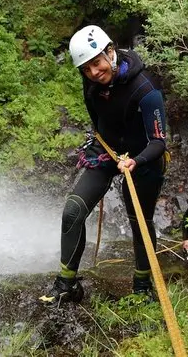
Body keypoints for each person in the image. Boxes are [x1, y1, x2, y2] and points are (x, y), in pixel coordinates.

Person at [39, 25, 168, 305]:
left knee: (140, 222)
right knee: (73, 210)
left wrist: (137, 159)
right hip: (107, 149)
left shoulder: (147, 89)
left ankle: (143, 286)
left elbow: (159, 141)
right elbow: (98, 120)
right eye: (86, 69)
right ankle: (67, 284)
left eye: (96, 64)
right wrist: (103, 148)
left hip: (144, 156)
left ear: (110, 52)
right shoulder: (92, 84)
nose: (94, 73)